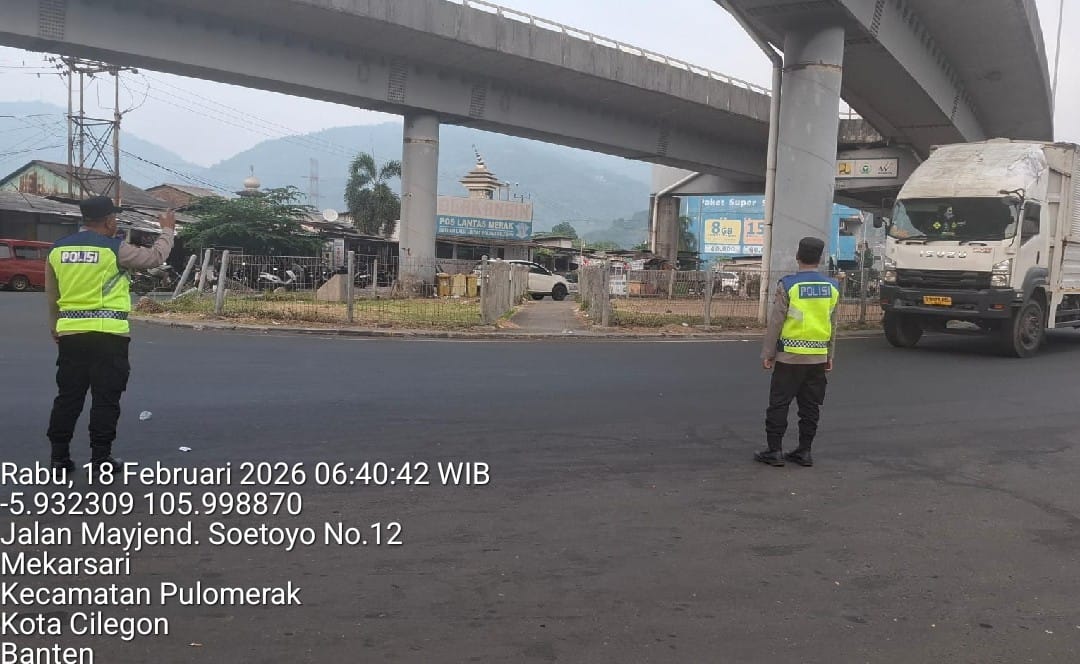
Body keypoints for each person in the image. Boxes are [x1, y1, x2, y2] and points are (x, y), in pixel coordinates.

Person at [45, 196, 176, 474]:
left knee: (68, 397)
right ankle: (100, 458)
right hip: (109, 336)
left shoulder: (57, 249)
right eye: (114, 218)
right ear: (107, 220)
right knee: (105, 399)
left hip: (71, 334)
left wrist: (55, 325)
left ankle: (59, 458)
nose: (115, 222)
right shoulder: (115, 249)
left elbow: (52, 294)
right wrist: (167, 230)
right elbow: (155, 257)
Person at [756, 237, 839, 468]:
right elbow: (832, 324)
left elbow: (776, 322)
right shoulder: (832, 287)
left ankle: (775, 450)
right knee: (810, 407)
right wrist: (829, 355)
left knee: (779, 404)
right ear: (820, 259)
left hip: (789, 357)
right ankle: (804, 451)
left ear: (797, 256)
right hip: (817, 358)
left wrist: (768, 353)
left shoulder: (789, 285)